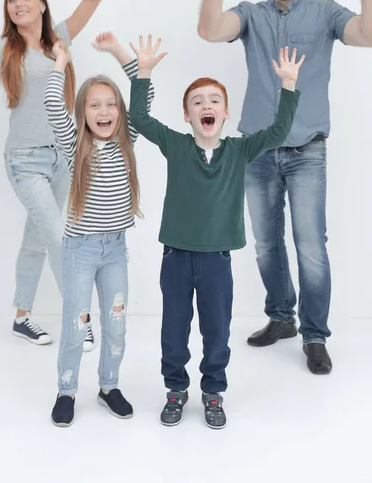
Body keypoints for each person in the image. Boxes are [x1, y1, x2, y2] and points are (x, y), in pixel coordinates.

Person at [197, 0, 372, 374]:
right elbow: (209, 29)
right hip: (257, 151)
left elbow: (367, 36)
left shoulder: (326, 13)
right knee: (265, 246)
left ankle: (315, 335)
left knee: (311, 246)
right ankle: (281, 318)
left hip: (307, 151)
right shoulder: (251, 15)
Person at [129, 36, 303, 428]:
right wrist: (143, 73)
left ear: (225, 114)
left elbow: (276, 132)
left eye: (213, 101)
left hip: (216, 261)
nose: (206, 105)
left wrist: (288, 85)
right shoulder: (175, 145)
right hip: (175, 257)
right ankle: (176, 389)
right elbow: (140, 120)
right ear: (188, 116)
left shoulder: (240, 150)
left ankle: (213, 392)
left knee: (217, 332)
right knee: (173, 331)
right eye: (197, 102)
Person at [0, 0, 102, 348]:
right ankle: (79, 317)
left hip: (62, 158)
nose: (18, 3)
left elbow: (92, 0)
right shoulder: (2, 47)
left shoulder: (60, 39)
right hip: (24, 160)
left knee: (37, 238)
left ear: (41, 3)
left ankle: (22, 317)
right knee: (58, 237)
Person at [45, 32, 153, 427]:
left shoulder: (128, 137)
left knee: (117, 323)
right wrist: (61, 62)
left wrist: (119, 52)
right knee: (77, 325)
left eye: (111, 105)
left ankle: (109, 386)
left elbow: (145, 98)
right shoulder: (74, 143)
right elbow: (52, 105)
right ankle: (67, 389)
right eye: (95, 105)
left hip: (115, 250)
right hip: (80, 249)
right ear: (84, 112)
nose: (104, 111)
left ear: (120, 113)